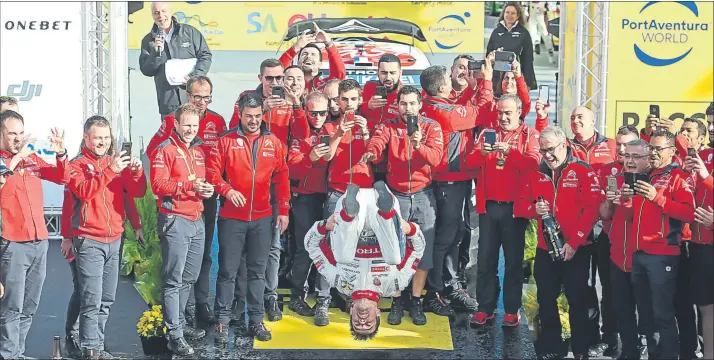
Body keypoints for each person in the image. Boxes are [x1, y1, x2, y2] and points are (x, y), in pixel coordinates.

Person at [206, 93, 290, 343]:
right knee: (227, 272)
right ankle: (222, 321)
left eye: (257, 116)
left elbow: (281, 176)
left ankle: (255, 320)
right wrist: (227, 190)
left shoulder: (273, 142)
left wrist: (283, 209)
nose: (253, 121)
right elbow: (212, 174)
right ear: (240, 114)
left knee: (257, 273)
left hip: (263, 219)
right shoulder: (225, 141)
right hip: (232, 218)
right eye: (248, 116)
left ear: (262, 115)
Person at [514, 126, 601, 360]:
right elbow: (520, 206)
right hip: (546, 249)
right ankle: (553, 347)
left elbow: (592, 210)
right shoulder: (536, 172)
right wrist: (535, 209)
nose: (547, 156)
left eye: (551, 150)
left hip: (578, 248)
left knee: (577, 299)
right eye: (543, 151)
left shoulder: (582, 170)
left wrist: (573, 243)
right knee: (546, 298)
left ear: (564, 145)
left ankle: (581, 349)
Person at [360, 85, 443, 326]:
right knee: (394, 250)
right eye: (403, 104)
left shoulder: (431, 126)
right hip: (397, 195)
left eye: (412, 104)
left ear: (420, 105)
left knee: (423, 251)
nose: (407, 109)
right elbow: (377, 143)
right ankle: (397, 299)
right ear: (396, 106)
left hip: (424, 195)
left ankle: (415, 300)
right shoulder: (388, 125)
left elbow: (436, 159)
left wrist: (419, 145)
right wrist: (371, 151)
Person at [146, 75, 225, 325]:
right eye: (197, 96)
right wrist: (179, 172)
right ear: (188, 96)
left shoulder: (217, 121)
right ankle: (184, 310)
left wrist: (215, 183)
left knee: (202, 254)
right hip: (177, 201)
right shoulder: (172, 120)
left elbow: (223, 157)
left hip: (206, 196)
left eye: (206, 97)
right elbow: (153, 150)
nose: (202, 101)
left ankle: (201, 302)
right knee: (178, 262)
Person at [68, 116, 147, 358]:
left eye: (106, 137)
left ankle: (96, 346)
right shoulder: (76, 164)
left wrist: (136, 172)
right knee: (91, 299)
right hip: (89, 239)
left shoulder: (116, 163)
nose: (102, 142)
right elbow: (84, 191)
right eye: (97, 137)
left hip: (114, 238)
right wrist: (111, 170)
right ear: (86, 138)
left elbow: (136, 192)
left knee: (107, 299)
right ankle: (91, 349)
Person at [304, 182, 425, 340]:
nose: (362, 320)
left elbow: (311, 246)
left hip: (350, 210)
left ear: (351, 311)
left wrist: (324, 226)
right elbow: (418, 249)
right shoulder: (395, 284)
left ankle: (350, 213)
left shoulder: (338, 280)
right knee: (393, 258)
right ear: (377, 313)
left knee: (343, 257)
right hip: (380, 210)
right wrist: (410, 229)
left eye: (357, 323)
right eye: (368, 324)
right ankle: (386, 212)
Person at [420, 64, 492, 315]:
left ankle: (448, 285)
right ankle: (434, 291)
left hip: (455, 178)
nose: (453, 83)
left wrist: (473, 86)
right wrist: (486, 82)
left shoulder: (435, 104)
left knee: (454, 233)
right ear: (441, 88)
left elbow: (462, 104)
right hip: (449, 179)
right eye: (449, 81)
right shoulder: (443, 112)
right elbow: (480, 112)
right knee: (444, 236)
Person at [466, 94, 541, 327]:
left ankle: (511, 309)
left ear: (519, 112)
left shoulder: (529, 135)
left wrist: (510, 152)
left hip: (515, 210)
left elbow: (535, 163)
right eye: (500, 112)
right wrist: (483, 153)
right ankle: (484, 308)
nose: (503, 117)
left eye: (508, 113)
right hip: (489, 207)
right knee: (485, 260)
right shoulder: (488, 133)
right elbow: (469, 162)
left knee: (513, 262)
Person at [0, 110, 69, 360]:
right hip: (12, 242)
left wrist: (60, 153)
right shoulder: (6, 160)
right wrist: (18, 156)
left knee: (29, 305)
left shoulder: (31, 161)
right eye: (12, 134)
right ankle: (7, 354)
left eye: (21, 133)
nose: (18, 138)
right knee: (12, 306)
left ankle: (17, 352)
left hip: (38, 239)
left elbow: (63, 177)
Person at [624, 130, 695, 360]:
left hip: (663, 254)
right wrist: (625, 199)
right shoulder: (645, 175)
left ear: (672, 152)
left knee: (663, 314)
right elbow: (630, 217)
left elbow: (688, 212)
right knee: (646, 317)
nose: (652, 153)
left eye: (658, 149)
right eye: (651, 148)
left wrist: (658, 197)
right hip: (639, 253)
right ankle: (654, 354)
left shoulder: (678, 176)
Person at [151, 103, 215, 355]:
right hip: (175, 219)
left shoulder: (199, 149)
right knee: (174, 280)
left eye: (194, 125)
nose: (190, 129)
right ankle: (174, 334)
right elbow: (157, 184)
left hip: (196, 218)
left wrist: (206, 190)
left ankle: (181, 323)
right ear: (176, 124)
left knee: (189, 277)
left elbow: (201, 182)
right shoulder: (165, 149)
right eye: (186, 124)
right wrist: (188, 187)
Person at [599, 139, 654, 360]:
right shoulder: (615, 179)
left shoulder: (652, 181)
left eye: (635, 157)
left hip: (644, 257)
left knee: (648, 313)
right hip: (618, 256)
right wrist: (610, 201)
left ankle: (651, 351)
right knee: (622, 310)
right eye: (626, 155)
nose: (629, 161)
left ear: (648, 159)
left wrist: (630, 200)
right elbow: (604, 214)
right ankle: (629, 351)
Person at [287, 92, 337, 325]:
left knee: (329, 248)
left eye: (322, 112)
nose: (317, 117)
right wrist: (311, 158)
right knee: (305, 249)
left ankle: (327, 295)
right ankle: (297, 296)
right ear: (305, 111)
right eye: (313, 113)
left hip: (328, 197)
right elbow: (293, 171)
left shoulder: (331, 130)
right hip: (305, 198)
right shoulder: (299, 134)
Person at [139, 1, 212, 119]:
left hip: (193, 99)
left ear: (170, 11)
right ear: (152, 15)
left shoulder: (189, 32)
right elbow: (146, 70)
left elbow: (205, 56)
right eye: (156, 13)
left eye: (163, 11)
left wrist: (194, 78)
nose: (161, 16)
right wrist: (156, 53)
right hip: (168, 102)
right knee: (171, 136)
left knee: (194, 134)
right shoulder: (148, 40)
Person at [684, 106, 713, 360]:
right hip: (701, 243)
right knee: (705, 306)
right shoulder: (705, 155)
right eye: (710, 123)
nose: (712, 128)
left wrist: (706, 177)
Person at [359, 54, 404, 183]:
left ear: (400, 72)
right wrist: (367, 106)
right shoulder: (369, 87)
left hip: (391, 161)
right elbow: (355, 112)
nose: (388, 77)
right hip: (367, 157)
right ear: (377, 72)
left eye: (392, 73)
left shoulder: (405, 95)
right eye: (384, 72)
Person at [279, 24, 346, 93]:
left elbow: (339, 75)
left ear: (320, 64)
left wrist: (328, 43)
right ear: (298, 62)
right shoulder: (289, 85)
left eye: (313, 54)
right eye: (304, 54)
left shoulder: (325, 86)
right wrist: (297, 47)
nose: (308, 57)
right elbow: (277, 72)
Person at [487, 2, 537, 89]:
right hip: (497, 78)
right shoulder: (496, 32)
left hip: (514, 78)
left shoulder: (523, 33)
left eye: (513, 13)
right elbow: (488, 55)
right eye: (507, 12)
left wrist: (528, 83)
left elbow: (528, 60)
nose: (509, 15)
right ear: (503, 14)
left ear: (518, 16)